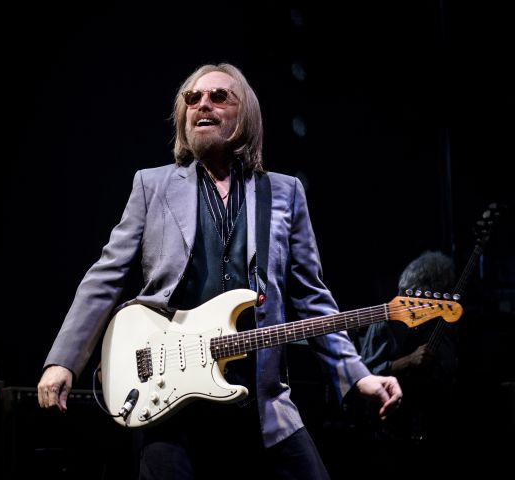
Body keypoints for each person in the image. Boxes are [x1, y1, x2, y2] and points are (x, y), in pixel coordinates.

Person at [37, 63, 402, 479]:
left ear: (245, 115)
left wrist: (358, 376)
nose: (202, 105)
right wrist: (63, 361)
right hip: (169, 401)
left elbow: (312, 299)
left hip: (261, 403)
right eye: (192, 98)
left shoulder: (284, 192)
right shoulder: (152, 186)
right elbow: (105, 277)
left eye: (218, 96)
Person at [355, 250, 458, 478]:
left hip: (435, 426)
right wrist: (408, 361)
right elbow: (364, 374)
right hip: (390, 435)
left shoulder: (440, 323)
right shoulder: (386, 320)